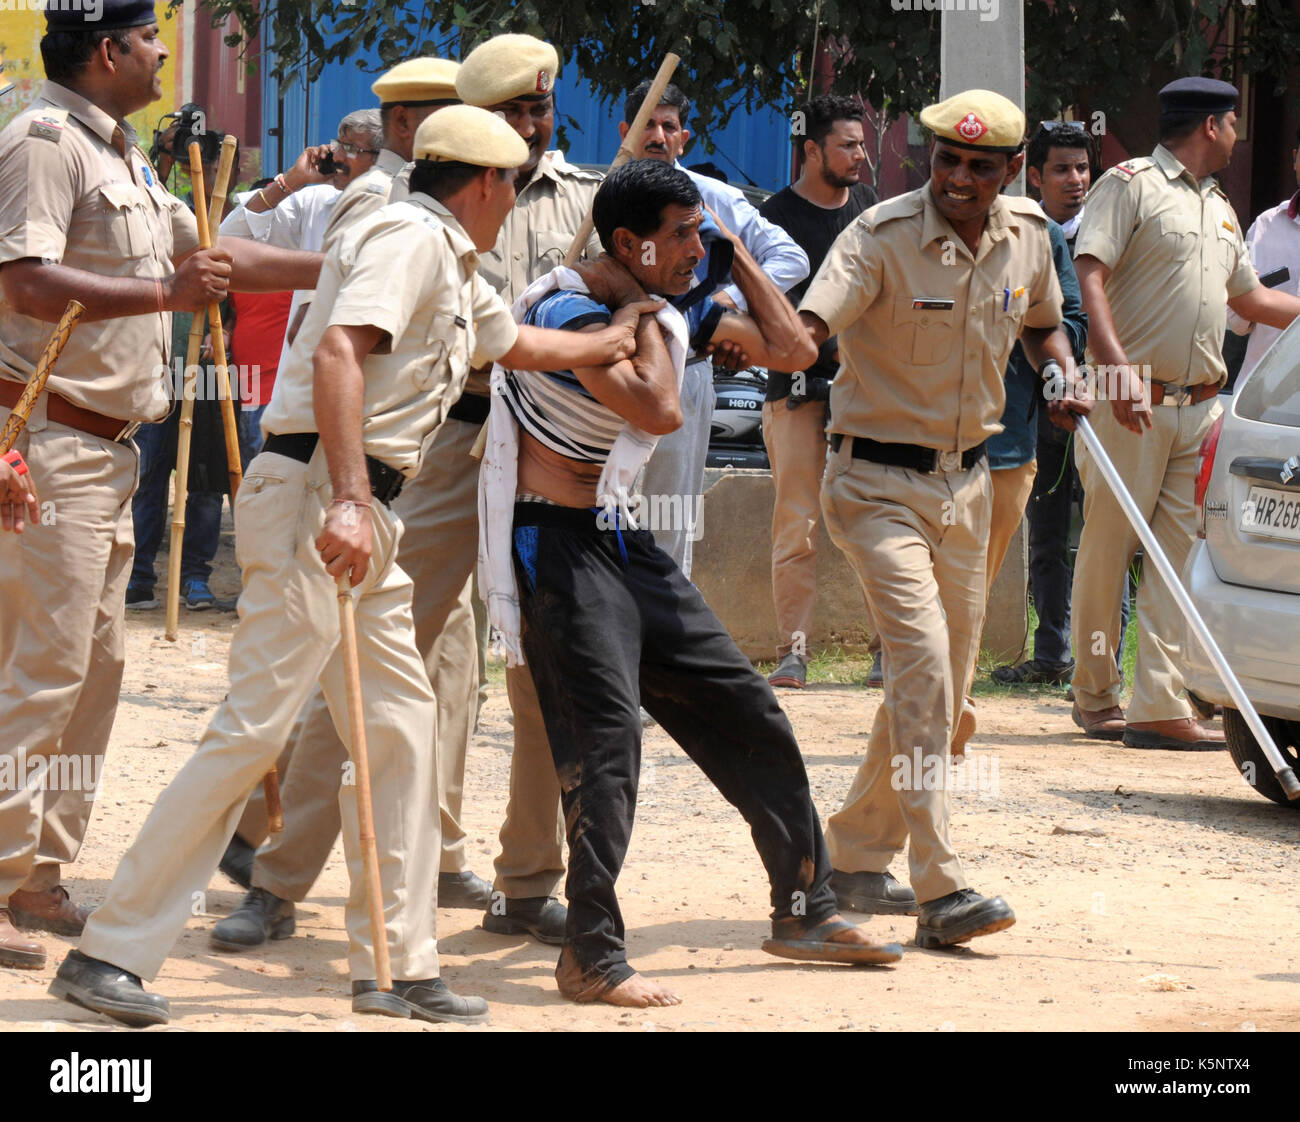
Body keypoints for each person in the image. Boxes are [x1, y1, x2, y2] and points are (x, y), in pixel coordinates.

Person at [49, 106, 652, 1027]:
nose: (516, 200)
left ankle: (398, 967)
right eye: (514, 184)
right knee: (254, 729)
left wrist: (618, 334)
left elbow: (520, 347)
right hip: (323, 500)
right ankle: (111, 952)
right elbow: (339, 351)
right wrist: (349, 501)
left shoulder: (448, 256)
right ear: (484, 183)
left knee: (402, 731)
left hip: (362, 509)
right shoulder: (411, 239)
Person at [478, 157, 903, 1008]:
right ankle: (589, 956)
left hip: (618, 537)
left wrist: (732, 251)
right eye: (680, 236)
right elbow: (658, 410)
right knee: (607, 744)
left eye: (698, 234)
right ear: (628, 243)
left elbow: (796, 349)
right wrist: (648, 315)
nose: (693, 250)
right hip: (552, 544)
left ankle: (805, 910)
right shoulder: (566, 309)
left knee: (748, 708)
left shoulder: (669, 302)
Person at [0, 0, 321, 973]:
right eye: (148, 40)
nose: (159, 53)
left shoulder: (126, 154)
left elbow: (213, 260)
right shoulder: (42, 141)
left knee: (93, 677)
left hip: (110, 452)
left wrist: (344, 265)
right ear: (108, 50)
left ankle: (38, 873)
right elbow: (24, 281)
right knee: (39, 673)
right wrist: (162, 297)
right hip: (49, 441)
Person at [211, 56, 496, 944]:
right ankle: (266, 869)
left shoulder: (500, 195)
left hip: (450, 454)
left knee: (438, 686)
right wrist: (348, 496)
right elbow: (336, 340)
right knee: (308, 693)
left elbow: (508, 331)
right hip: (361, 463)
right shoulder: (389, 207)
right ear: (409, 125)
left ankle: (417, 903)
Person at [798, 89, 1090, 942]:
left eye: (981, 166)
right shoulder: (878, 235)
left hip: (968, 489)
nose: (959, 178)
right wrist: (754, 326)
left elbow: (1044, 326)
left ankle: (854, 856)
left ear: (1013, 169)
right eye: (946, 160)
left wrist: (1062, 370)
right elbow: (810, 326)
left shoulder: (1029, 235)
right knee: (924, 671)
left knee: (943, 692)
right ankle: (941, 888)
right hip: (873, 485)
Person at [1069, 78, 1300, 749]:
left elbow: (1251, 302)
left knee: (1176, 559)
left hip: (1198, 409)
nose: (1237, 135)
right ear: (1211, 126)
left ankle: (1158, 704)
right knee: (1109, 549)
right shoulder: (1130, 186)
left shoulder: (1220, 206)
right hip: (1128, 400)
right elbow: (1090, 275)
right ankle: (1095, 696)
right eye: (1233, 123)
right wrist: (1114, 369)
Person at [619, 80, 809, 574]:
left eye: (669, 126)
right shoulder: (603, 194)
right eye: (646, 125)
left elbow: (790, 258)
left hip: (685, 369)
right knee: (603, 510)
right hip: (609, 372)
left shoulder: (711, 198)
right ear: (625, 132)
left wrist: (728, 301)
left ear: (684, 139)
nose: (657, 136)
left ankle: (668, 616)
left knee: (669, 516)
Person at [758, 94, 878, 689]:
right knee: (798, 526)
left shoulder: (873, 211)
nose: (860, 156)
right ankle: (794, 653)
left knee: (876, 523)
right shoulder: (773, 217)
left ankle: (887, 651)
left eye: (862, 144)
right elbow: (768, 309)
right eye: (847, 145)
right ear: (812, 150)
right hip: (795, 395)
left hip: (868, 397)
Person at [126, 133, 240, 613]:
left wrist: (225, 331)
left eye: (214, 168)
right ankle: (138, 576)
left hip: (206, 373)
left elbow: (239, 298)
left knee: (206, 481)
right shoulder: (162, 217)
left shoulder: (231, 222)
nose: (207, 177)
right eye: (202, 167)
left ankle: (194, 577)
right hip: (156, 369)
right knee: (148, 474)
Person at [1226, 125, 1300, 383]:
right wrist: (1252, 298)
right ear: (1294, 159)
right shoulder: (1266, 226)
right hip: (1259, 398)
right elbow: (1236, 324)